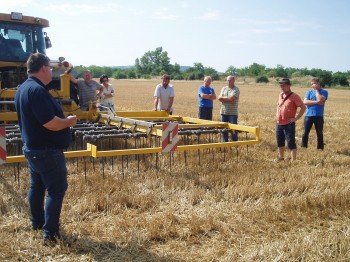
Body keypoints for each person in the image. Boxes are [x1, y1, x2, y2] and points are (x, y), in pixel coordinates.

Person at [14, 53, 77, 245]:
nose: (51, 71)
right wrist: (68, 121)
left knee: (37, 187)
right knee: (56, 190)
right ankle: (50, 235)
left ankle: (38, 224)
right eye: (50, 68)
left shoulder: (22, 88)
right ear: (43, 68)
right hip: (47, 150)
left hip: (32, 148)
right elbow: (51, 124)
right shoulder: (38, 91)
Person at [276, 78, 306, 161]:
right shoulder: (280, 94)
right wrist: (277, 114)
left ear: (289, 86)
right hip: (279, 123)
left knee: (291, 142)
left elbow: (303, 107)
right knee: (280, 142)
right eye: (281, 86)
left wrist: (296, 118)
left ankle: (293, 160)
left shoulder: (294, 96)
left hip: (288, 123)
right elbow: (278, 105)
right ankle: (281, 158)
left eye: (283, 86)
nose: (282, 87)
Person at [301, 77, 328, 150]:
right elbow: (305, 102)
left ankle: (320, 148)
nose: (313, 85)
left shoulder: (324, 92)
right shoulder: (308, 92)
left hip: (318, 116)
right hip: (308, 115)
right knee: (305, 133)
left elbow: (320, 99)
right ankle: (303, 147)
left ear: (318, 83)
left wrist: (316, 90)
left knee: (319, 133)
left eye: (314, 83)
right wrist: (316, 102)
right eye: (312, 84)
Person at [218, 75, 240, 142]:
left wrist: (223, 99)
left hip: (232, 113)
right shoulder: (224, 88)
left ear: (234, 81)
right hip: (223, 112)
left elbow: (231, 99)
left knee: (233, 129)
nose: (228, 81)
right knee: (224, 129)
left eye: (230, 80)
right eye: (227, 80)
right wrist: (228, 99)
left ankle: (234, 143)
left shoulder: (236, 89)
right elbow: (219, 98)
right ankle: (224, 142)